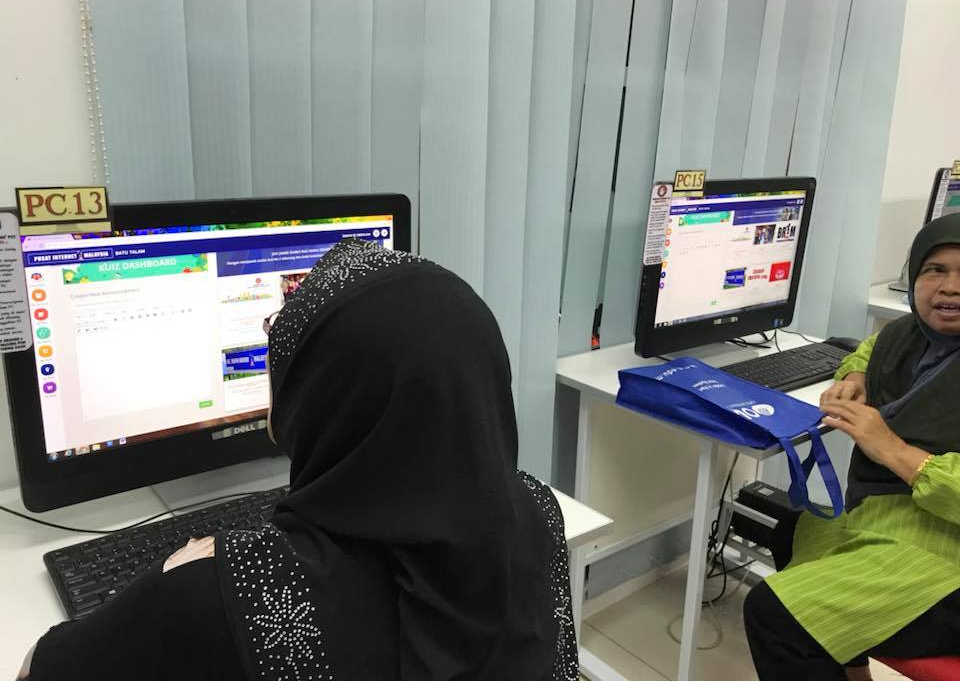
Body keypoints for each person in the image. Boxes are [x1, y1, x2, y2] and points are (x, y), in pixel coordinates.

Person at [20, 239, 577, 680]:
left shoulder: (229, 593)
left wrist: (168, 578)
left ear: (315, 398)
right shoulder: (534, 510)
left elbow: (37, 671)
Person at [743, 213, 960, 680]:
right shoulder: (908, 335)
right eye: (935, 270)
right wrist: (855, 375)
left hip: (948, 555)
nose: (951, 288)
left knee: (775, 615)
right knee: (791, 532)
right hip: (893, 515)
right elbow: (869, 349)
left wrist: (894, 450)